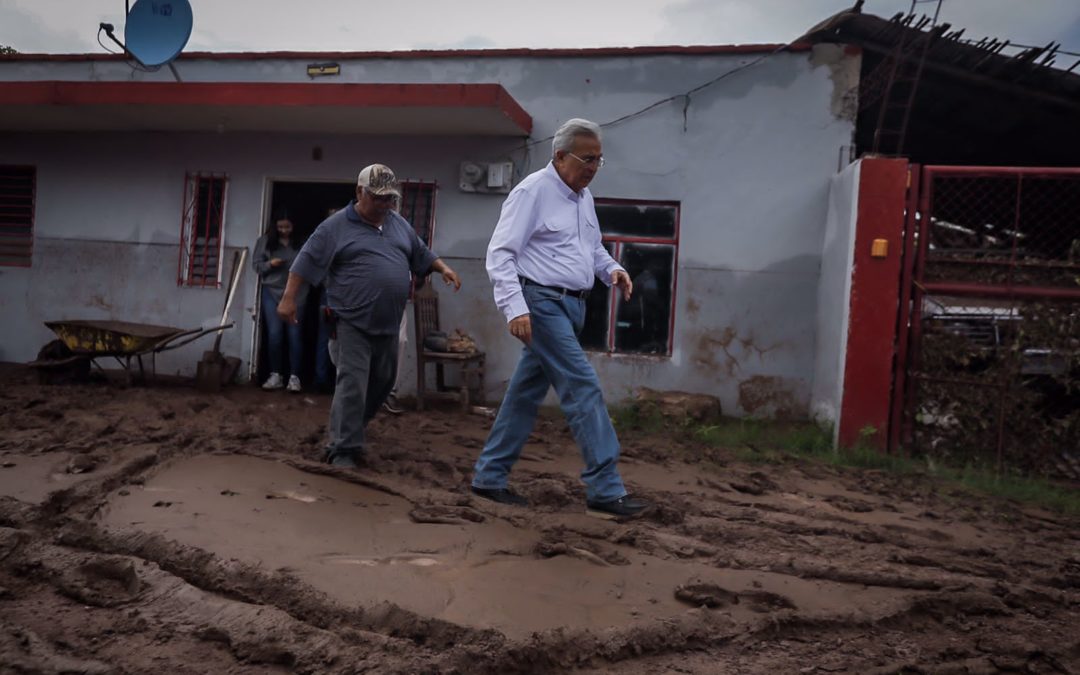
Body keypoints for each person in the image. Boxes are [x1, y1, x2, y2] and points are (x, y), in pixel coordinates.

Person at [470, 118, 650, 520]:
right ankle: (605, 489)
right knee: (583, 387)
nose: (593, 167)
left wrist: (611, 270)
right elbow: (500, 253)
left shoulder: (582, 197)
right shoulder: (532, 192)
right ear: (560, 156)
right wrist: (515, 308)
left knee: (524, 395)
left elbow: (591, 247)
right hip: (541, 304)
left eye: (599, 161)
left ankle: (489, 476)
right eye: (588, 159)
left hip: (573, 307)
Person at [278, 164, 461, 468]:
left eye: (389, 199)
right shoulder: (334, 227)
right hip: (351, 320)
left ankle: (348, 429)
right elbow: (305, 261)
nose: (384, 205)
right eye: (377, 198)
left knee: (383, 381)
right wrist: (288, 299)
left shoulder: (397, 223)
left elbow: (420, 252)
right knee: (353, 383)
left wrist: (443, 269)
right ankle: (343, 449)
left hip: (387, 321)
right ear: (359, 192)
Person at [253, 210, 307, 393]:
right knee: (275, 335)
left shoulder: (303, 243)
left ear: (295, 226)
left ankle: (295, 377)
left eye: (288, 227)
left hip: (297, 294)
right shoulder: (265, 242)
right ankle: (275, 374)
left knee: (295, 336)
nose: (284, 230)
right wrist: (270, 264)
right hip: (272, 292)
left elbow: (312, 264)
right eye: (280, 227)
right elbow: (257, 266)